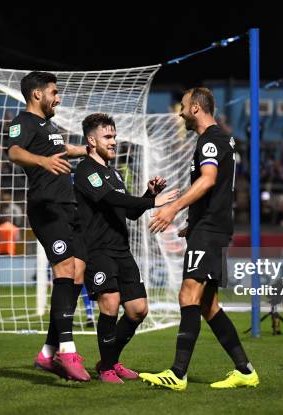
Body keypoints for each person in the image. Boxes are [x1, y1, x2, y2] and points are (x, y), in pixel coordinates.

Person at [140, 87, 259, 390]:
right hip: (209, 228)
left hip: (210, 231)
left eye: (182, 106)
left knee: (187, 295)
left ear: (195, 108)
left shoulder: (210, 141)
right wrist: (192, 224)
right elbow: (216, 191)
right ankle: (245, 370)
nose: (179, 112)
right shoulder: (222, 140)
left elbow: (208, 180)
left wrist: (172, 209)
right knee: (208, 305)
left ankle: (178, 374)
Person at [74, 113, 178, 383]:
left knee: (138, 309)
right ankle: (108, 368)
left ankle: (109, 361)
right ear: (91, 140)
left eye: (114, 137)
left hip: (121, 249)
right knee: (110, 302)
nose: (113, 141)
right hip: (97, 251)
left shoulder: (115, 173)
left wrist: (148, 195)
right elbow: (109, 199)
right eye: (108, 137)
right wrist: (154, 204)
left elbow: (128, 213)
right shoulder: (85, 171)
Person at [7, 71, 90, 381]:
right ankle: (67, 351)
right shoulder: (22, 122)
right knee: (65, 270)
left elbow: (61, 149)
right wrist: (42, 162)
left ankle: (46, 353)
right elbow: (13, 151)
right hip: (46, 208)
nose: (59, 97)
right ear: (37, 94)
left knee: (77, 272)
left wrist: (89, 150)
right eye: (54, 92)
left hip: (67, 206)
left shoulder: (49, 125)